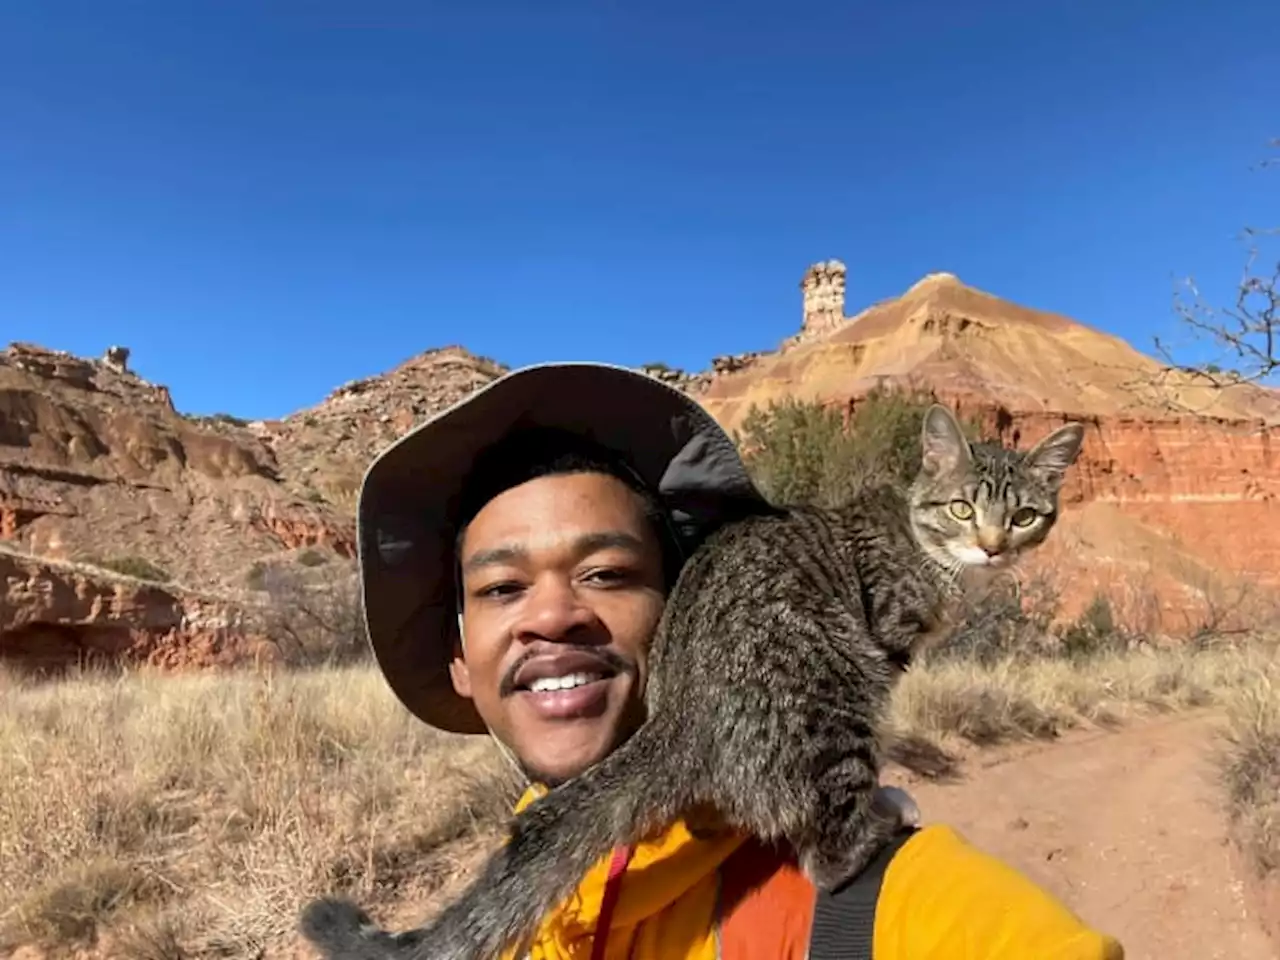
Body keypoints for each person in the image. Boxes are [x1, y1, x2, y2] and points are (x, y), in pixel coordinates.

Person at [355, 361, 1125, 959]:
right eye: (501, 587)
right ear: (458, 659)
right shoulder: (527, 905)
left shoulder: (887, 909)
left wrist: (851, 831)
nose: (552, 617)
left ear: (676, 606)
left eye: (608, 574)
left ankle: (838, 830)